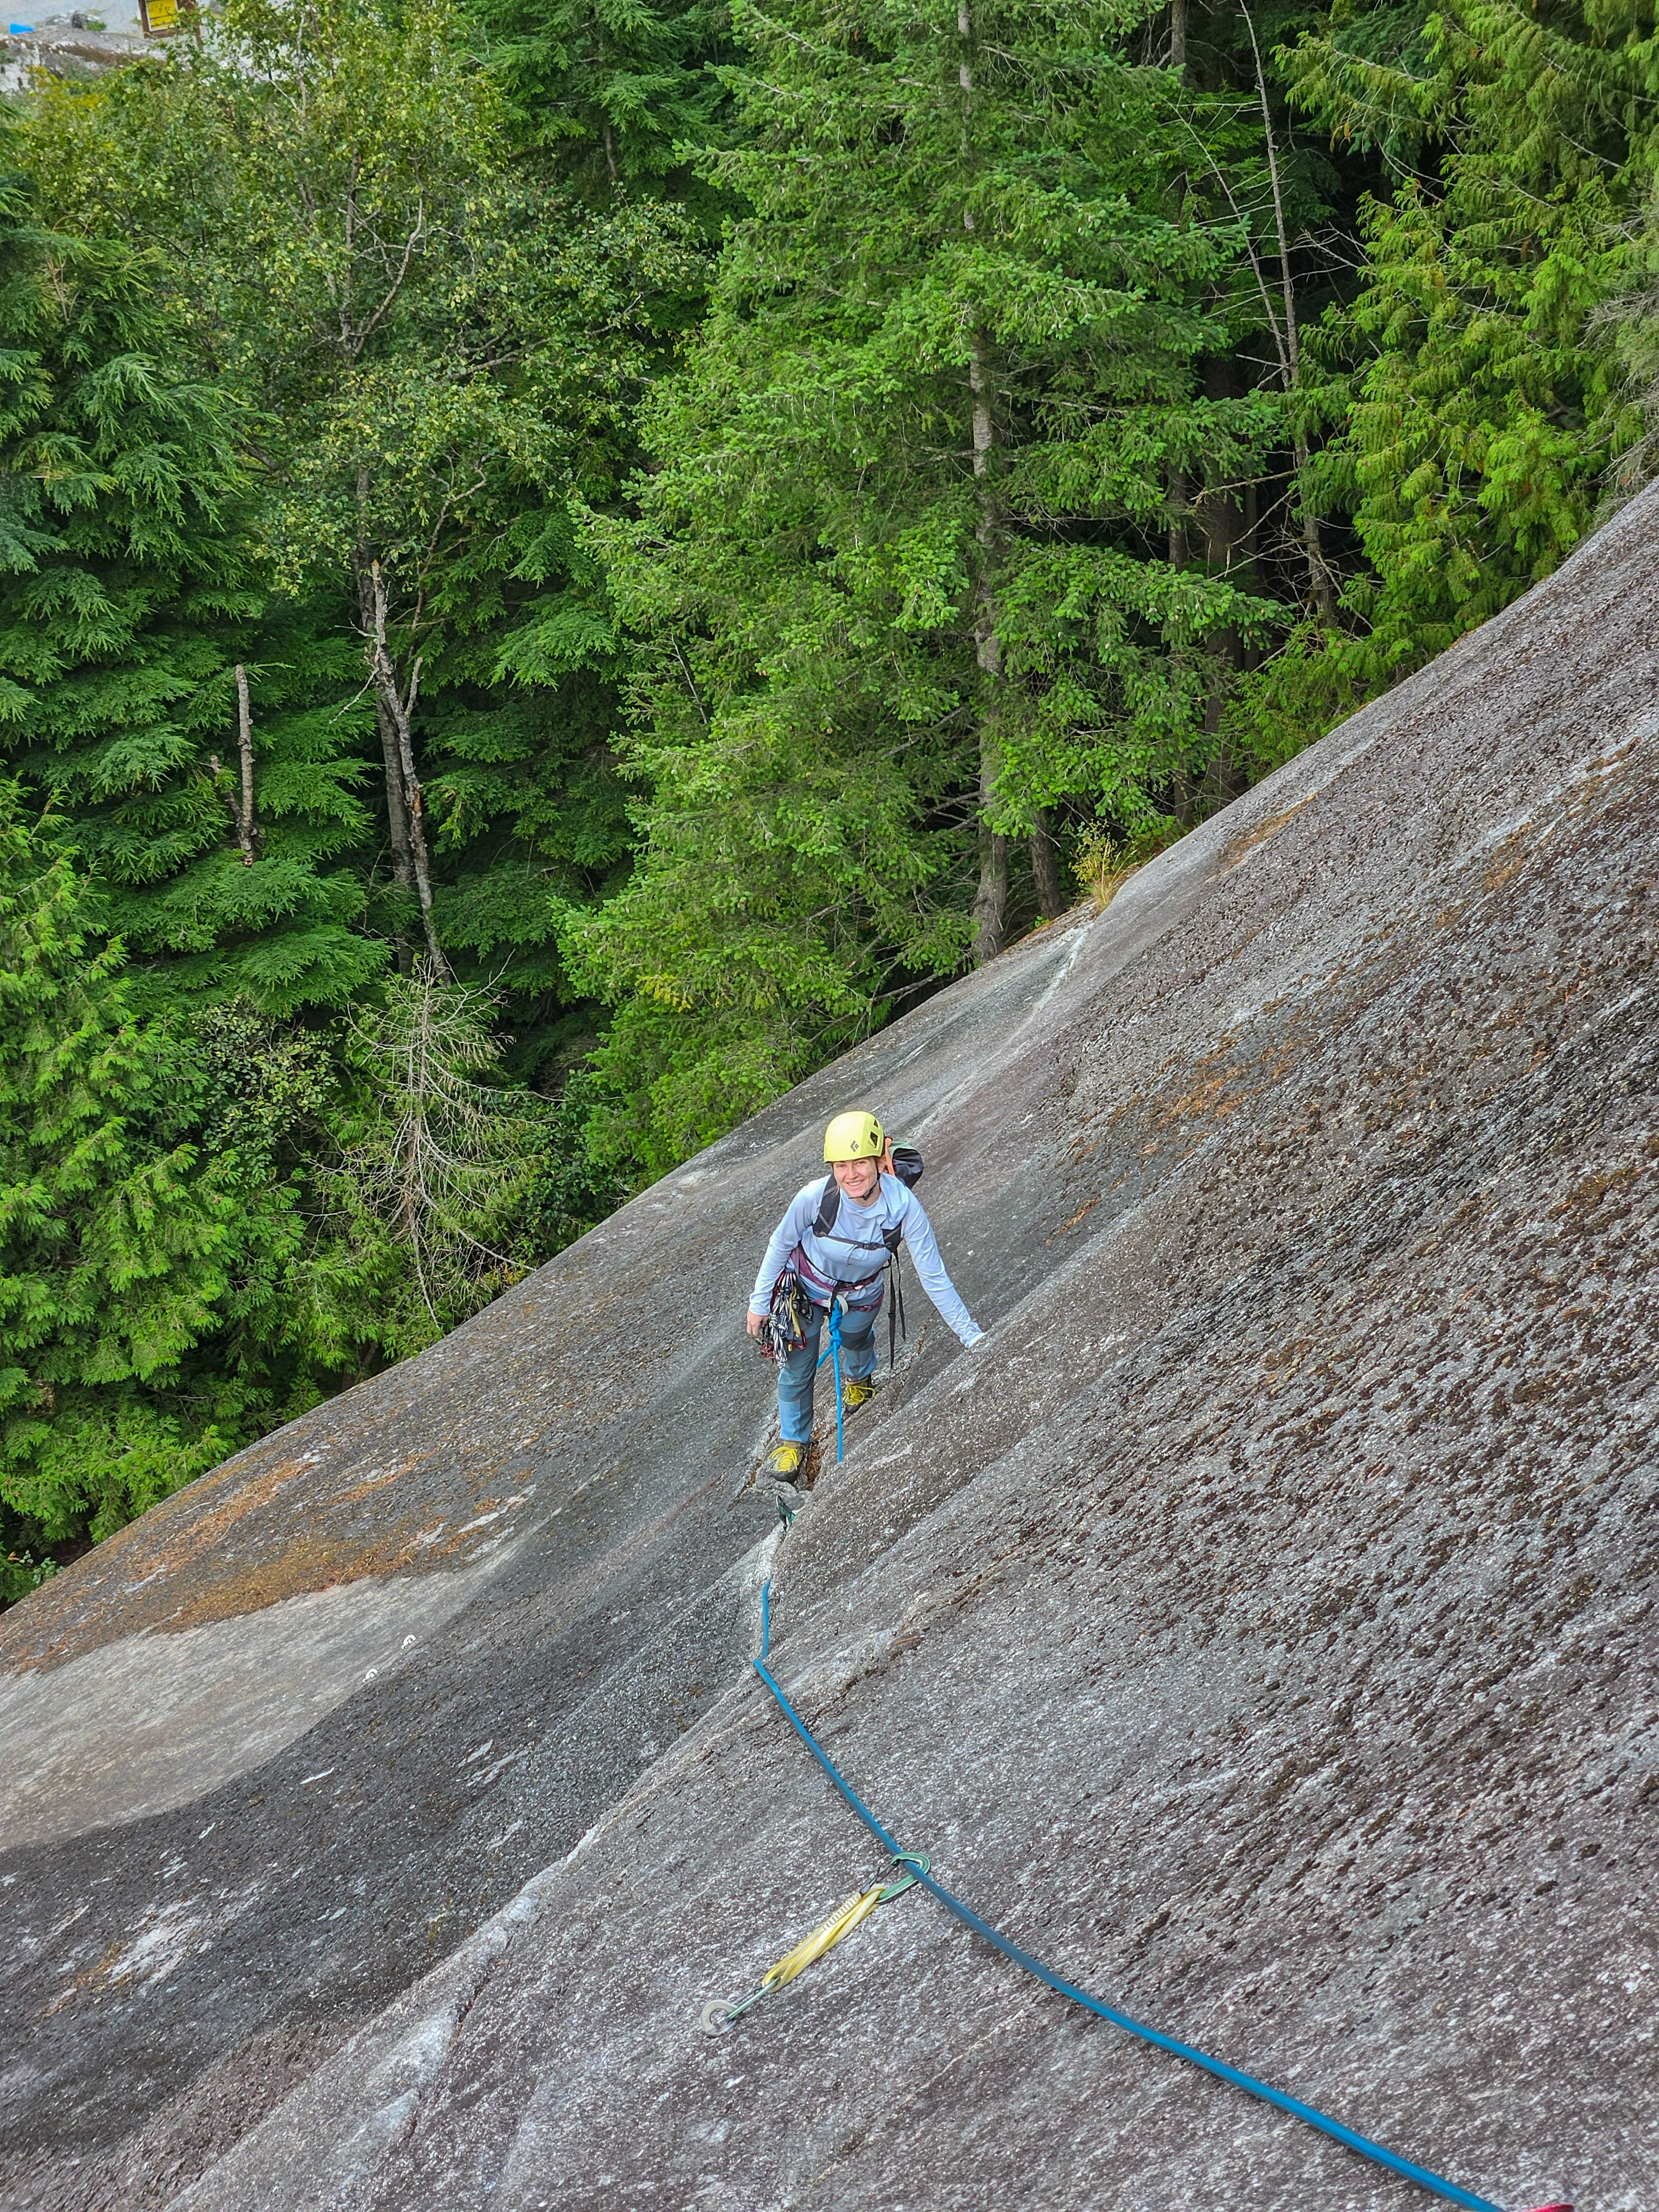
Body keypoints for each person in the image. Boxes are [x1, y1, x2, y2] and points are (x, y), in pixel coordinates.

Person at [747, 1108, 985, 1477]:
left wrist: (972, 1337)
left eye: (859, 1163)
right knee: (797, 1369)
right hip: (805, 1290)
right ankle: (794, 1441)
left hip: (862, 1291)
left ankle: (859, 1381)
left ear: (879, 1162)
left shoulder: (903, 1207)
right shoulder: (815, 1198)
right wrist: (759, 1303)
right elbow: (781, 1244)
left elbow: (934, 1276)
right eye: (840, 1165)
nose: (851, 1174)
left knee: (857, 1338)